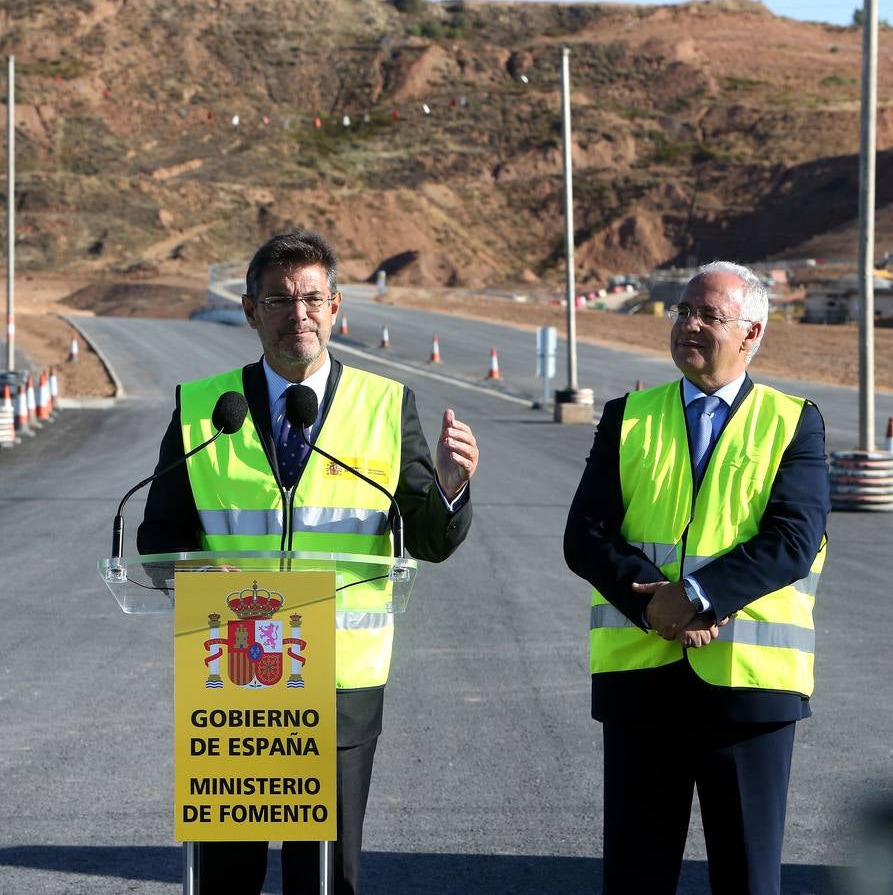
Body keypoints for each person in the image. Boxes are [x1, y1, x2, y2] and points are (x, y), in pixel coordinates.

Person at [138, 230, 479, 894]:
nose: (299, 313)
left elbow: (432, 541)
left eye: (312, 298)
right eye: (280, 299)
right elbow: (158, 538)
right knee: (225, 878)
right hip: (236, 678)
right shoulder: (205, 409)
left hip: (341, 686)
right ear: (249, 310)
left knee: (324, 879)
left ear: (336, 306)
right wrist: (197, 572)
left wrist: (452, 485)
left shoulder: (385, 408)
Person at [563, 261, 830, 895]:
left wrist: (698, 598)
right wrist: (656, 610)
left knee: (747, 878)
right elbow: (587, 536)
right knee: (635, 877)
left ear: (752, 332)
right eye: (684, 312)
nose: (690, 324)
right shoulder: (628, 415)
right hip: (641, 680)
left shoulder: (795, 420)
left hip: (749, 690)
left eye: (709, 316)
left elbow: (794, 539)